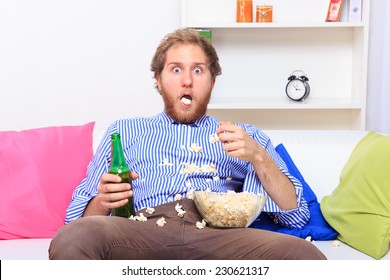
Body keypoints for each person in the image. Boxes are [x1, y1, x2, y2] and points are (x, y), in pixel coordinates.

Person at [49, 28, 326, 260]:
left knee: (305, 255)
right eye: (176, 69)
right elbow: (77, 220)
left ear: (212, 82)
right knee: (73, 238)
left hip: (220, 236)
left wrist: (259, 157)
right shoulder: (124, 130)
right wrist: (102, 200)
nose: (187, 81)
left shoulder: (244, 136)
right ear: (158, 80)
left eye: (198, 70)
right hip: (142, 231)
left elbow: (296, 217)